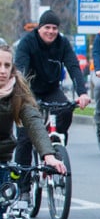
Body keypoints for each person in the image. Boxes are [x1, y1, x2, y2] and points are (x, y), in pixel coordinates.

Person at [13, 10, 91, 165]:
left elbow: (73, 66)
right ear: (40, 28)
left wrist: (82, 93)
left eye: (54, 28)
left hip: (51, 89)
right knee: (25, 137)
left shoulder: (62, 43)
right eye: (47, 27)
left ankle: (56, 140)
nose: (51, 31)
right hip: (28, 90)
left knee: (66, 109)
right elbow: (21, 70)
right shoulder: (27, 42)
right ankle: (23, 185)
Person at [0, 44, 66, 177]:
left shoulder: (17, 91)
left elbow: (33, 122)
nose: (3, 71)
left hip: (2, 157)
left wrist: (48, 155)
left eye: (7, 65)